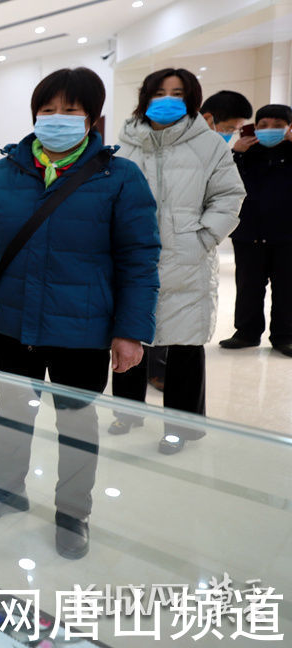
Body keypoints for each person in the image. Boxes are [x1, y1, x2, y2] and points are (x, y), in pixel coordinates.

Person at [0, 68, 160, 559]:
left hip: (82, 329)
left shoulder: (120, 177)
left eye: (69, 111)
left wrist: (131, 331)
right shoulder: (6, 171)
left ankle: (74, 512)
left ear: (93, 119)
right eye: (47, 110)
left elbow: (139, 259)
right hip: (13, 324)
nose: (56, 119)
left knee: (75, 424)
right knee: (13, 414)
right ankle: (7, 489)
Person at [109, 68, 245, 453]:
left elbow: (229, 196)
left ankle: (181, 428)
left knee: (184, 344)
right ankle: (127, 412)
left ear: (192, 99)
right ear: (144, 97)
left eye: (178, 92)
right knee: (128, 334)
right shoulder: (126, 143)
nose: (167, 98)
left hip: (186, 258)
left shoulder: (209, 145)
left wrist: (202, 236)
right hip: (130, 257)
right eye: (159, 91)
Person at [219, 103, 292, 356]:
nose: (269, 130)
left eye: (278, 126)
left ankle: (285, 336)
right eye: (263, 125)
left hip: (287, 236)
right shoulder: (245, 153)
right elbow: (226, 183)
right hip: (249, 232)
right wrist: (236, 154)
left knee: (286, 288)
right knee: (249, 286)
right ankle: (246, 333)